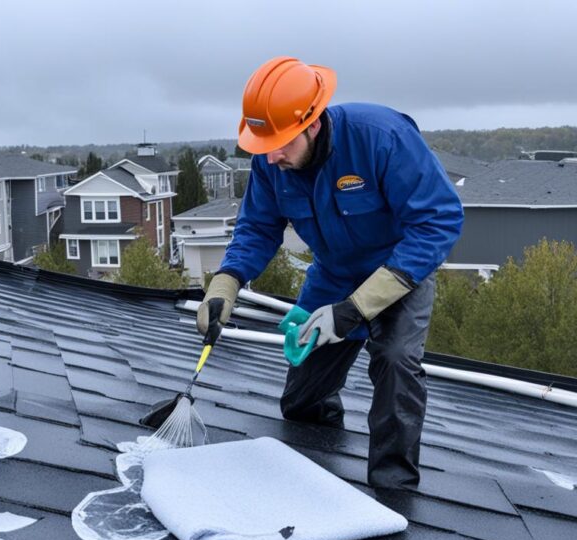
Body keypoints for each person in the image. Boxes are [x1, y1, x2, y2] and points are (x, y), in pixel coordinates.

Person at [196, 56, 464, 488]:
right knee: (302, 399)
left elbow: (439, 222)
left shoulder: (381, 137)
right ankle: (320, 479)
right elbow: (258, 227)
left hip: (398, 271)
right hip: (333, 274)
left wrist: (359, 308)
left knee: (395, 362)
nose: (273, 155)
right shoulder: (272, 159)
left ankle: (392, 487)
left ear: (314, 123)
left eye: (282, 142)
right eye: (265, 145)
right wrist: (226, 284)